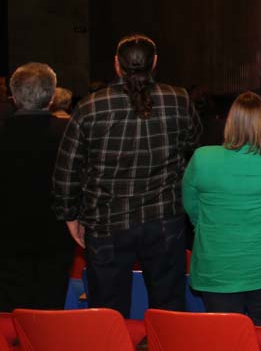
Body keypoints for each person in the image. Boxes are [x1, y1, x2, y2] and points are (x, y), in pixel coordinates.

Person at [52, 34, 202, 316]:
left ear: (117, 65)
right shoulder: (178, 100)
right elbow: (194, 150)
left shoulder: (89, 107)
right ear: (155, 63)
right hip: (164, 220)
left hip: (107, 222)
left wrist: (69, 214)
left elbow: (67, 169)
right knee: (169, 311)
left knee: (108, 314)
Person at [184, 92, 261, 325]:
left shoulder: (202, 158)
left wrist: (213, 228)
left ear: (230, 122)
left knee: (225, 340)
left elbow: (192, 208)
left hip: (218, 268)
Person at [0, 63, 74, 311]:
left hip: (7, 239)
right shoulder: (69, 133)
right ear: (52, 96)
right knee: (48, 317)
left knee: (9, 320)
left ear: (14, 95)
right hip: (56, 237)